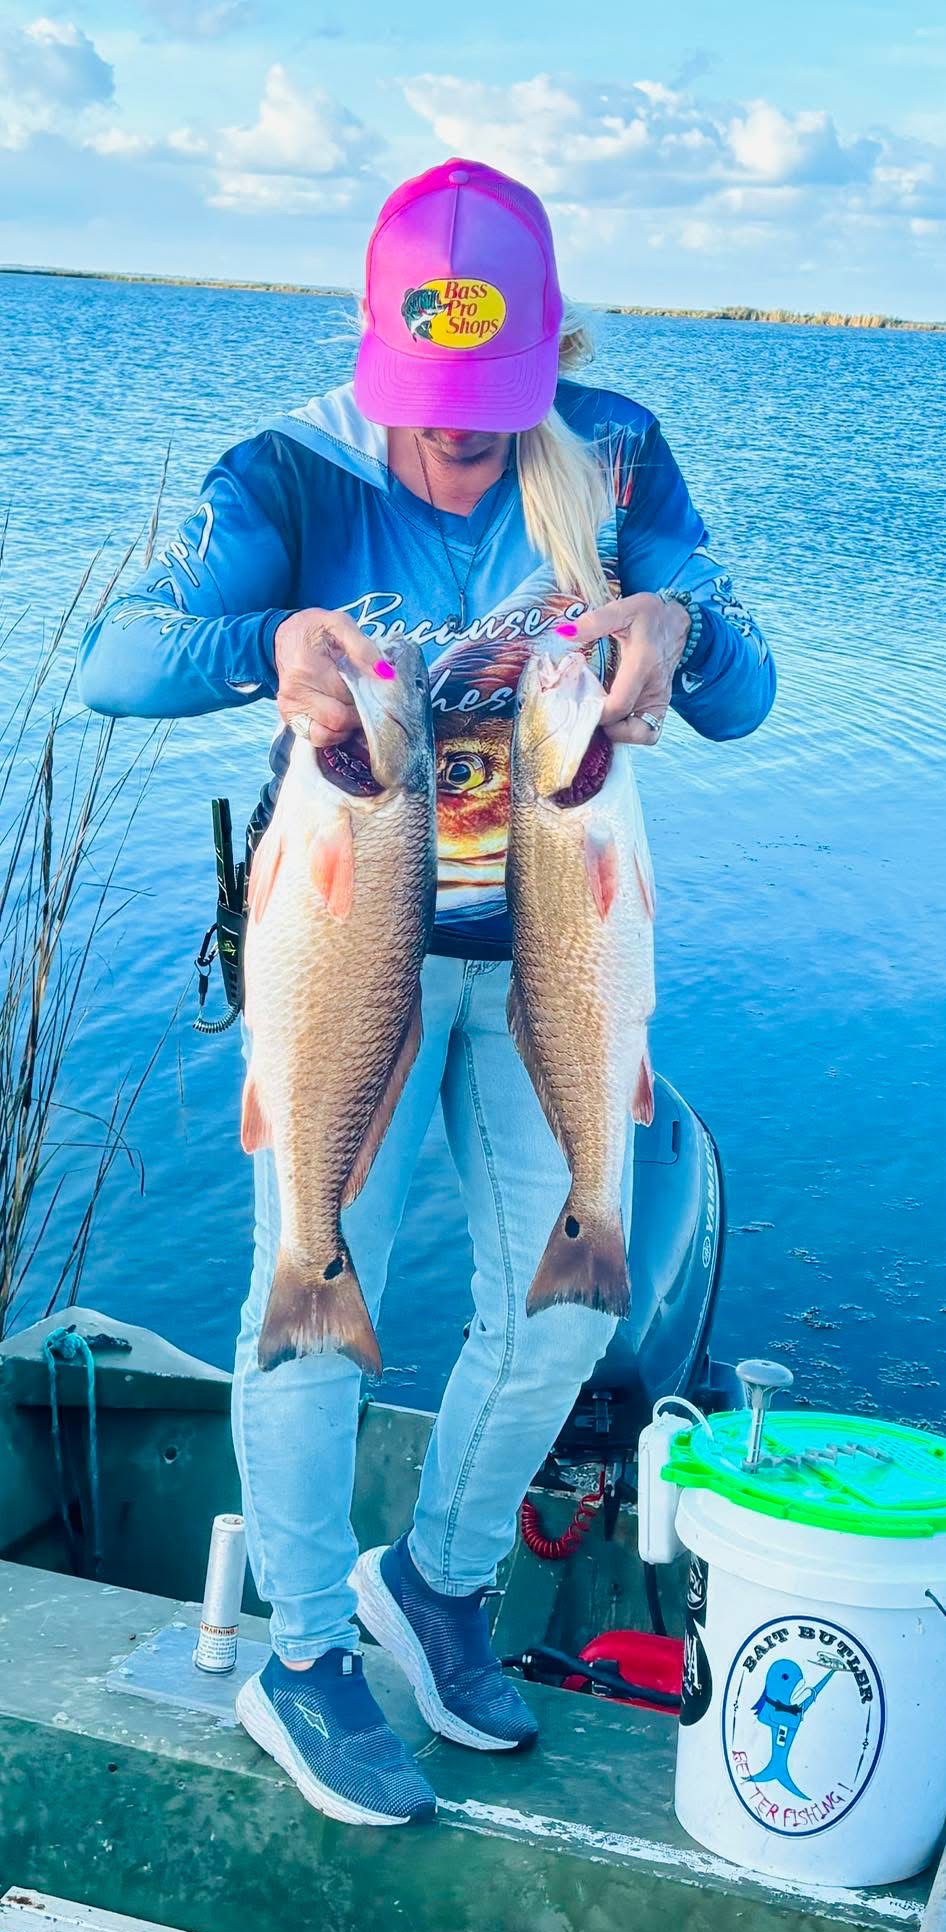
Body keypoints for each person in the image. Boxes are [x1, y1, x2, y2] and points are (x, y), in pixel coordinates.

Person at [77, 158, 775, 1829]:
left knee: (569, 1302)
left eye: (490, 412)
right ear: (371, 347)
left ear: (553, 354)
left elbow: (744, 692)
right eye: (429, 408)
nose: (457, 446)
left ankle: (438, 1580)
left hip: (553, 961)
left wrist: (674, 623)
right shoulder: (287, 471)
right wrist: (272, 643)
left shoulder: (614, 452)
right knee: (313, 1295)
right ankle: (302, 1652)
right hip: (346, 959)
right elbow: (114, 660)